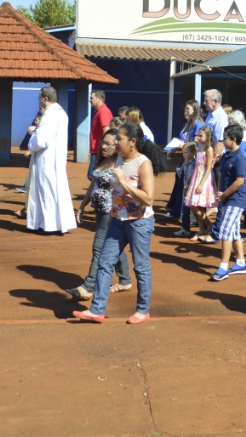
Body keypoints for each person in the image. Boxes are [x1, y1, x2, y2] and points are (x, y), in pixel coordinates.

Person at [73, 122, 164, 324]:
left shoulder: (143, 163)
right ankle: (97, 310)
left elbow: (149, 199)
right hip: (117, 221)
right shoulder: (120, 159)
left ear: (132, 142)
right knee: (105, 263)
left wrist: (124, 182)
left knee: (140, 267)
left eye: (119, 139)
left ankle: (142, 310)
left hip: (139, 222)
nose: (115, 142)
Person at [68, 130, 132, 301]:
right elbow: (93, 185)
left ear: (116, 146)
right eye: (103, 143)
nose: (103, 146)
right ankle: (125, 280)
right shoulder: (103, 162)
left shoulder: (120, 165)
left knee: (99, 246)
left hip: (110, 212)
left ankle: (88, 287)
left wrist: (117, 211)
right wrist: (82, 205)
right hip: (99, 210)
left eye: (108, 144)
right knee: (113, 244)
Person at [25, 87, 76, 234]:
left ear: (46, 99)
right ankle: (57, 223)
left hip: (46, 159)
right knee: (55, 190)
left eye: (40, 98)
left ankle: (48, 224)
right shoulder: (61, 113)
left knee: (46, 190)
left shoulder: (50, 115)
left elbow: (41, 140)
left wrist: (32, 135)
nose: (39, 101)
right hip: (56, 158)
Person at [211, 125, 246, 281]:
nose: (223, 141)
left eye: (225, 138)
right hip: (227, 198)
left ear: (233, 139)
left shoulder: (240, 158)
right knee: (233, 232)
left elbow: (240, 181)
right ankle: (240, 262)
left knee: (225, 231)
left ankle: (223, 267)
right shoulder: (227, 155)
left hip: (237, 198)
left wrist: (224, 195)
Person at [166, 100, 203, 219]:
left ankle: (184, 213)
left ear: (194, 110)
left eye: (188, 108)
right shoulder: (189, 123)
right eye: (185, 108)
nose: (185, 111)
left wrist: (185, 146)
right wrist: (174, 148)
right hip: (186, 157)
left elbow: (197, 143)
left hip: (193, 159)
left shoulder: (198, 124)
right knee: (180, 181)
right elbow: (183, 140)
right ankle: (176, 210)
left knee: (185, 184)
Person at [228, 109, 246, 241]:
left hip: (244, 175)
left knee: (245, 202)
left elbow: (239, 155)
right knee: (245, 202)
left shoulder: (243, 137)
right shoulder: (241, 135)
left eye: (230, 122)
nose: (228, 125)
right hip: (242, 174)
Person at [185, 126, 217, 243]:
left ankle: (209, 225)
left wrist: (201, 184)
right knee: (196, 205)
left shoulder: (209, 149)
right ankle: (201, 229)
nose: (198, 137)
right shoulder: (199, 148)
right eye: (198, 135)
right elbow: (196, 166)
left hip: (204, 179)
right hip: (196, 178)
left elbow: (208, 168)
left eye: (201, 135)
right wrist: (189, 180)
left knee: (195, 205)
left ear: (208, 137)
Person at [88, 90, 113, 180]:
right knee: (93, 175)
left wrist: (103, 147)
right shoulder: (100, 111)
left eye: (92, 98)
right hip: (96, 149)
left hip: (99, 150)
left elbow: (106, 131)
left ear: (99, 99)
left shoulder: (103, 112)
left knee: (93, 175)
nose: (90, 100)